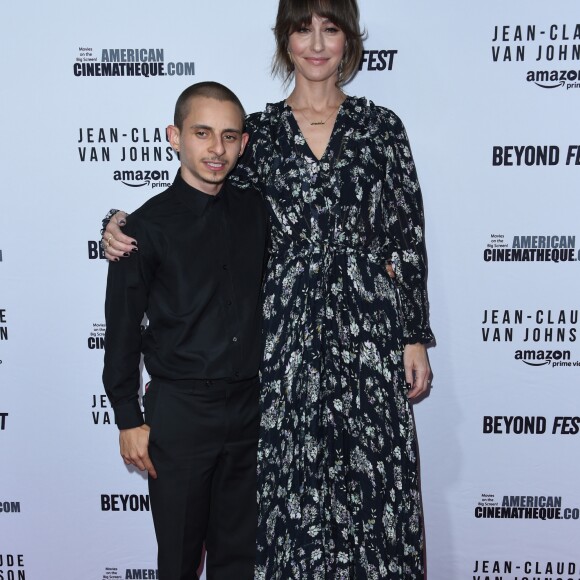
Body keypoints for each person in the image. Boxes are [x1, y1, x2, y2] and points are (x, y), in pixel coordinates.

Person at [103, 1, 434, 578]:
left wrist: (412, 336)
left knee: (375, 499)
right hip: (281, 355)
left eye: (331, 29)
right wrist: (114, 223)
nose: (317, 43)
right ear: (284, 40)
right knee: (285, 511)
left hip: (367, 347)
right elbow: (196, 203)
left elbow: (405, 236)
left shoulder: (383, 129)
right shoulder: (258, 136)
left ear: (349, 40)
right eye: (303, 28)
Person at [102, 81, 267, 580]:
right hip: (180, 414)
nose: (217, 149)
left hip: (250, 408)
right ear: (174, 136)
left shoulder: (258, 210)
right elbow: (122, 331)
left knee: (238, 560)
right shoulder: (142, 229)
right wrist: (128, 418)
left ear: (243, 143)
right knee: (176, 560)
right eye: (202, 133)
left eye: (230, 136)